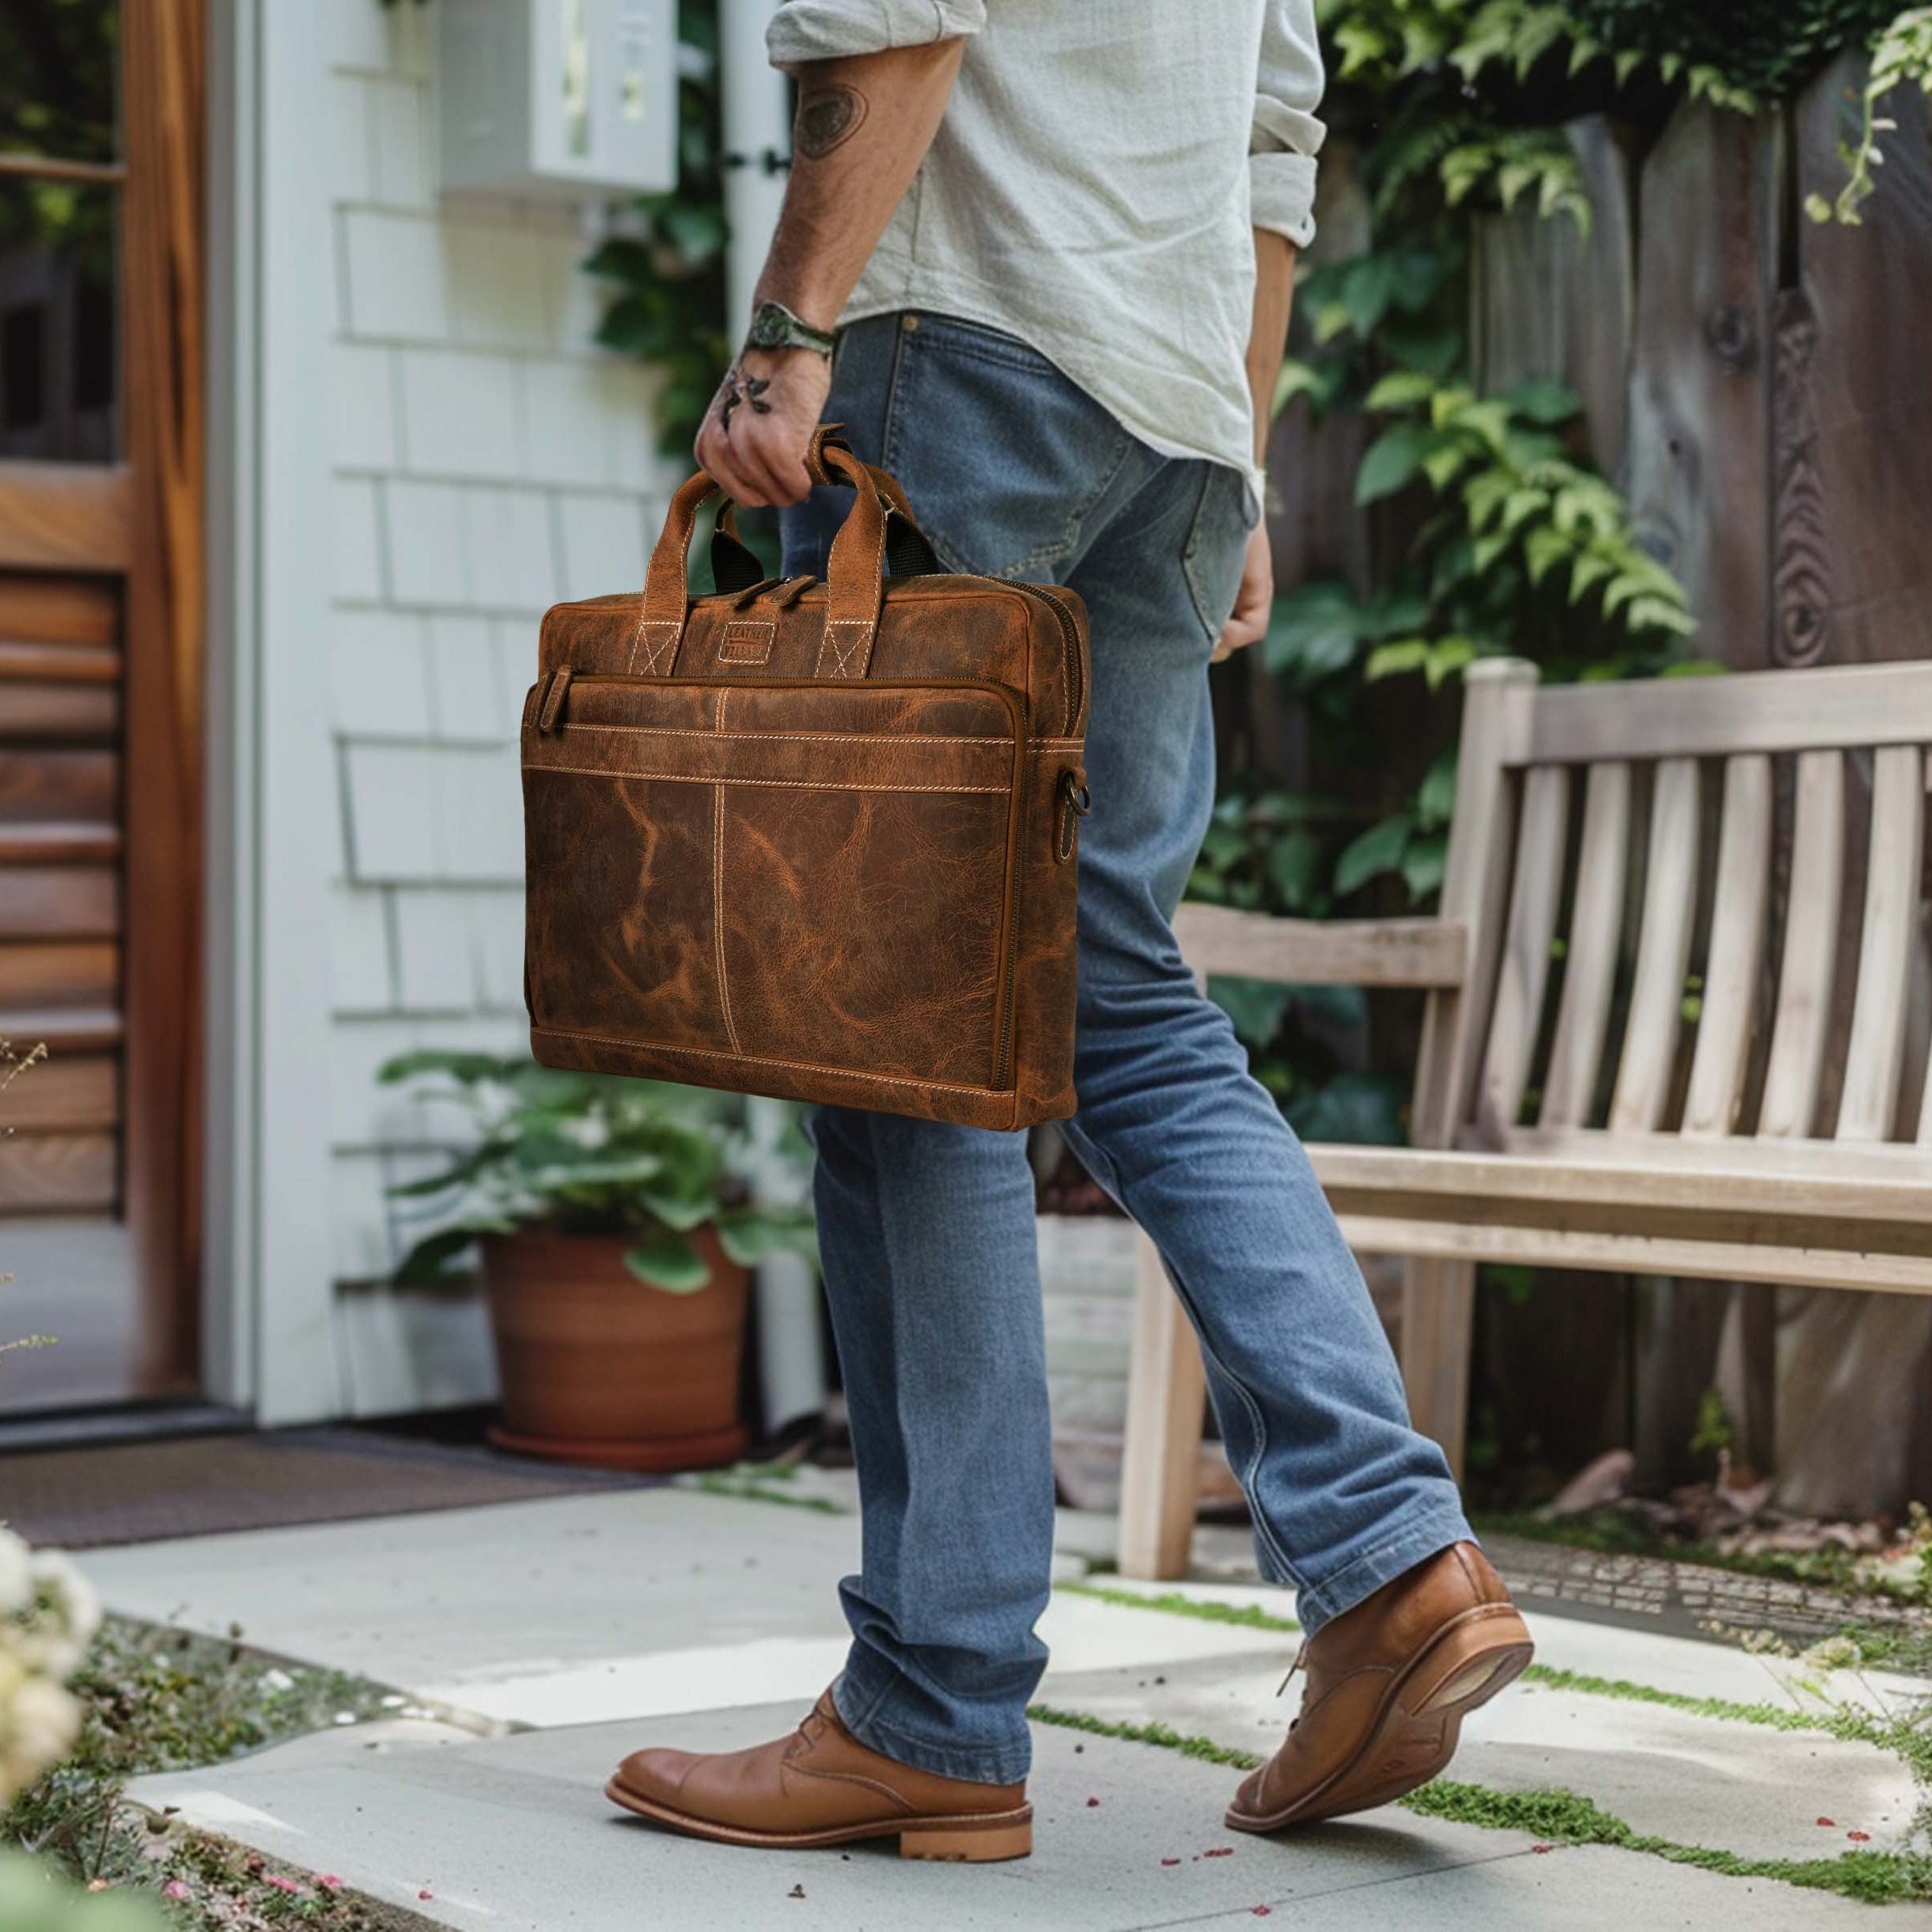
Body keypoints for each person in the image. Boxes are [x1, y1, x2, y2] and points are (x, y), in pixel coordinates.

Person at [604, 0, 1533, 1863]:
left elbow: (895, 19)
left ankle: (932, 1709)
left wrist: (788, 332)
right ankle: (1391, 1563)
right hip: (1170, 414)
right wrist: (1239, 453)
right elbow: (1275, 130)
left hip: (963, 361)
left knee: (905, 1014)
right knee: (1124, 1004)